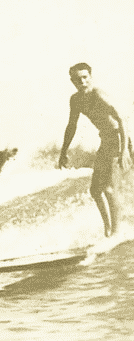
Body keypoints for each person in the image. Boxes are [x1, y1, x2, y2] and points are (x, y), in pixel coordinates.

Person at [59, 63, 132, 237]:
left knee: (108, 188)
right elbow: (71, 125)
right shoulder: (75, 100)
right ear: (72, 81)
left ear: (90, 77)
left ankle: (115, 233)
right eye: (78, 79)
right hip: (106, 142)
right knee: (95, 190)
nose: (82, 82)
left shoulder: (98, 94)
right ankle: (108, 230)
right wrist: (63, 151)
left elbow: (122, 119)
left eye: (85, 77)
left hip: (119, 140)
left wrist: (125, 151)